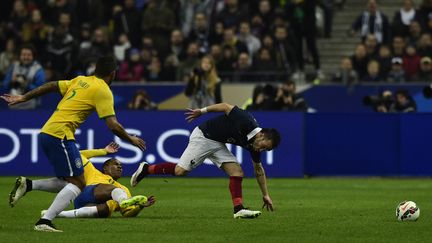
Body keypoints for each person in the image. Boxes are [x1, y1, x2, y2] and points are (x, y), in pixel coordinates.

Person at [1, 56, 146, 232]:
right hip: (60, 135)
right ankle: (44, 221)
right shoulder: (103, 90)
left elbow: (52, 85)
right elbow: (113, 125)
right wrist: (131, 138)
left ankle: (29, 185)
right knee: (78, 182)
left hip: (48, 132)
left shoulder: (81, 80)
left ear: (95, 70)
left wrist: (24, 97)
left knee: (71, 181)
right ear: (113, 74)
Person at [130, 103, 281, 219]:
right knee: (180, 171)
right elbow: (225, 106)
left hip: (218, 143)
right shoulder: (246, 121)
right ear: (261, 135)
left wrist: (265, 194)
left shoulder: (255, 146)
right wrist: (201, 111)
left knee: (236, 171)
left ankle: (238, 209)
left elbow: (259, 171)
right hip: (204, 136)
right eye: (264, 147)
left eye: (265, 150)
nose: (261, 150)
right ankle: (146, 169)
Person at [10, 142, 154, 218]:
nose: (119, 167)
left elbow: (126, 213)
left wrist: (140, 205)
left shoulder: (124, 189)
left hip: (89, 208)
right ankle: (121, 200)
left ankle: (59, 214)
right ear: (105, 167)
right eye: (115, 164)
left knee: (108, 208)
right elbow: (79, 154)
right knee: (116, 192)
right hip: (85, 193)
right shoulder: (91, 170)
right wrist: (103, 151)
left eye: (121, 166)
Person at [3, 44, 46, 109]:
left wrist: (26, 84)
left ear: (33, 56)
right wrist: (11, 81)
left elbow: (41, 90)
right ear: (20, 56)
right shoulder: (14, 66)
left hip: (31, 104)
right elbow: (4, 85)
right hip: (13, 102)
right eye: (23, 55)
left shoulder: (38, 69)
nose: (26, 57)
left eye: (28, 55)